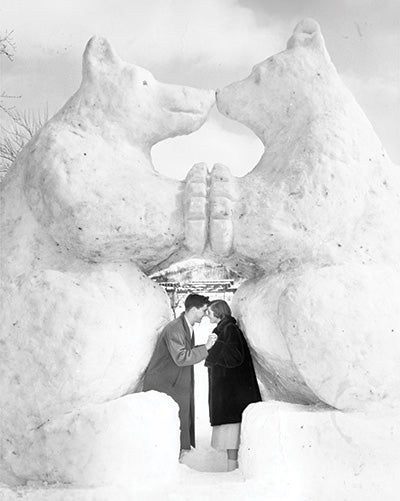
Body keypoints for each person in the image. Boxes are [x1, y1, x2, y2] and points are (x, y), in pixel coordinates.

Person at [143, 293, 217, 451]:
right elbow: (181, 357)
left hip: (175, 382)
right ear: (193, 309)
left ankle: (181, 453)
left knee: (180, 420)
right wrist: (206, 349)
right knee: (170, 424)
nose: (205, 315)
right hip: (165, 383)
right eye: (203, 310)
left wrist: (205, 348)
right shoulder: (175, 328)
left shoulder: (186, 327)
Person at [205, 299, 261, 471]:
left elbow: (235, 356)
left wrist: (215, 347)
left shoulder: (230, 329)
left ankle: (232, 469)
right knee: (230, 432)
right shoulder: (224, 328)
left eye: (210, 312)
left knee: (232, 432)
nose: (207, 315)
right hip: (228, 389)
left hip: (232, 391)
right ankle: (232, 468)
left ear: (218, 312)